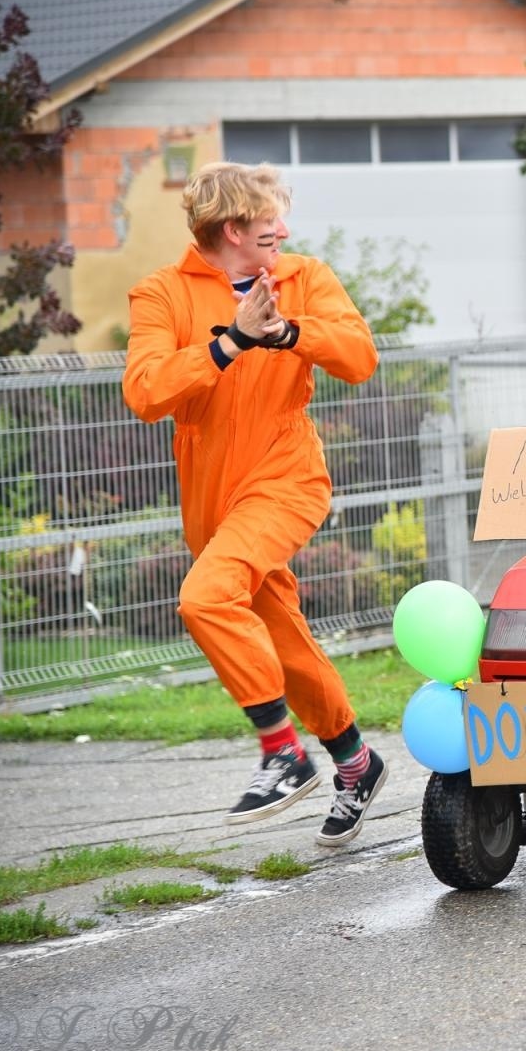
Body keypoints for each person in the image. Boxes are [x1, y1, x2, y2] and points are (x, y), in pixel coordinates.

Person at [123, 162, 389, 843]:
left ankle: (281, 750)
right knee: (285, 643)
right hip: (211, 504)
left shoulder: (304, 278)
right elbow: (146, 392)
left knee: (205, 599)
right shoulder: (160, 293)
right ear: (233, 228)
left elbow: (360, 357)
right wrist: (232, 340)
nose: (286, 230)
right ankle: (357, 762)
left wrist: (290, 332)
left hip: (287, 480)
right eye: (271, 220)